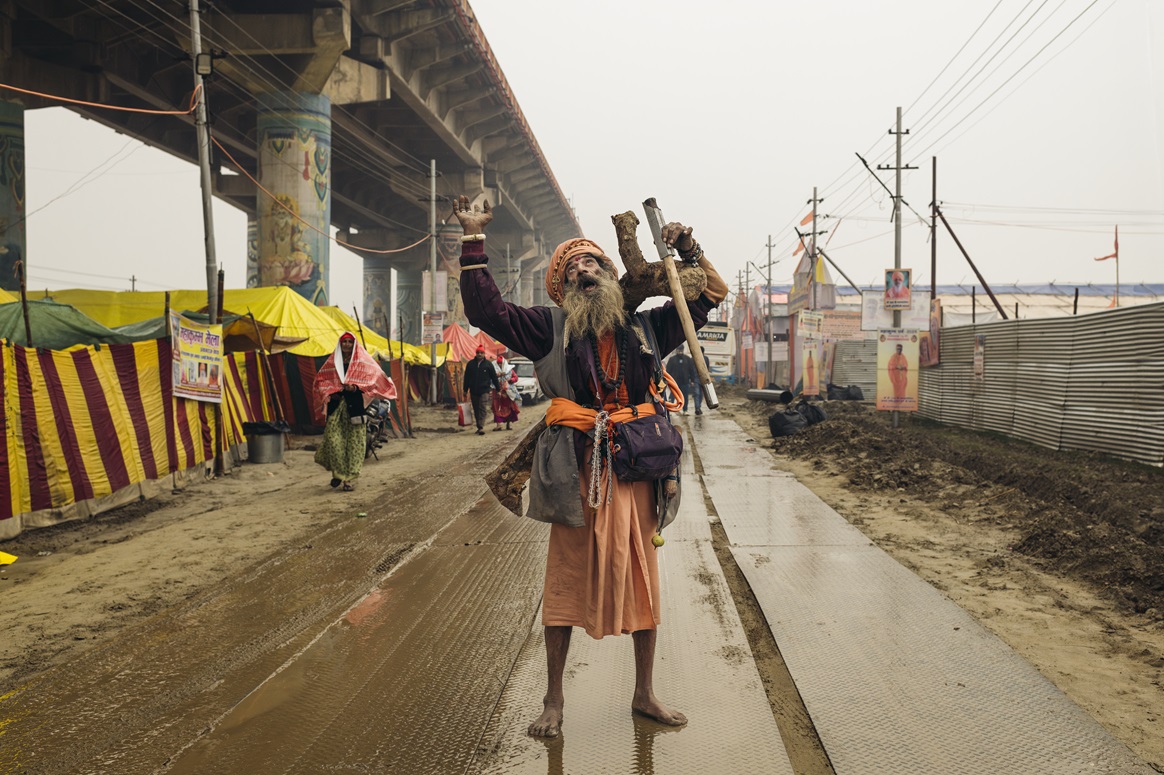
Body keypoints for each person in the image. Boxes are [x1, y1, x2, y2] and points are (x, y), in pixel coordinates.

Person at [454, 194, 728, 739]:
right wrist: (473, 238)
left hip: (638, 471)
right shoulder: (548, 328)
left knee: (644, 580)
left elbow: (710, 295)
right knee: (565, 583)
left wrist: (689, 249)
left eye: (593, 263)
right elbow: (486, 312)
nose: (584, 270)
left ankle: (644, 693)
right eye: (572, 268)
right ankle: (553, 700)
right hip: (577, 473)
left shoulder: (647, 327)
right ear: (561, 288)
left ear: (611, 274)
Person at [312, 332, 397, 491]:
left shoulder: (362, 362)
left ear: (354, 345)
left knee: (354, 445)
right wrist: (330, 391)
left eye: (350, 342)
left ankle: (347, 480)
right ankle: (338, 473)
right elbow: (321, 381)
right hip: (336, 409)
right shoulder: (332, 362)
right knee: (333, 441)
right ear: (340, 344)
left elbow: (372, 379)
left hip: (355, 409)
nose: (347, 345)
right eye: (344, 342)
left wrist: (355, 387)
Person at [462, 345, 500, 435]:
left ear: (484, 354)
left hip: (485, 390)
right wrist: (465, 390)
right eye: (478, 353)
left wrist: (498, 389)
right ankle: (479, 426)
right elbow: (466, 378)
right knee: (476, 409)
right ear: (476, 353)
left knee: (482, 407)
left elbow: (494, 378)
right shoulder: (470, 364)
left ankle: (481, 427)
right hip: (473, 390)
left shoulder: (488, 365)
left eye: (481, 353)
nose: (479, 354)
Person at [664, 344, 698, 414]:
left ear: (683, 350)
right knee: (672, 396)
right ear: (676, 350)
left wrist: (692, 380)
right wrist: (667, 380)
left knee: (685, 396)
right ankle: (670, 410)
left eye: (681, 350)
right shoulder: (672, 359)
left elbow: (691, 370)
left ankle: (685, 410)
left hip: (685, 382)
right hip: (674, 382)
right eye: (679, 350)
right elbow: (668, 371)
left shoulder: (687, 359)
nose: (680, 352)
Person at [492, 355, 521, 431]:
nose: (499, 365)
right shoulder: (494, 370)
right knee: (497, 407)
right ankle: (498, 425)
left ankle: (508, 424)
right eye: (498, 363)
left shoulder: (509, 370)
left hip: (508, 392)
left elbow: (516, 378)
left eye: (501, 363)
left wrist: (511, 380)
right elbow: (490, 379)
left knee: (509, 407)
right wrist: (496, 376)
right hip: (497, 392)